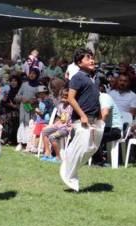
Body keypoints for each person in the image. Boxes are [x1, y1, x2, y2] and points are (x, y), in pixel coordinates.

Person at [59, 48, 104, 192]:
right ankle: (70, 176)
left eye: (92, 57)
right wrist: (83, 115)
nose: (92, 60)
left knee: (92, 148)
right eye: (88, 58)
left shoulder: (93, 78)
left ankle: (69, 160)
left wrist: (99, 117)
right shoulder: (77, 77)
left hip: (94, 119)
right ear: (79, 62)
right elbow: (71, 98)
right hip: (82, 120)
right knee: (83, 147)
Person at [91, 86, 124, 166]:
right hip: (106, 128)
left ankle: (99, 162)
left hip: (115, 129)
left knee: (95, 136)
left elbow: (105, 113)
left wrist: (96, 127)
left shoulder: (104, 97)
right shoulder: (95, 100)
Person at [41, 88, 73, 162]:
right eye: (63, 96)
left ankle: (58, 157)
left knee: (52, 137)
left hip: (66, 128)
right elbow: (59, 118)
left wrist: (71, 127)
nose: (64, 98)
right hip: (59, 125)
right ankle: (47, 153)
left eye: (66, 96)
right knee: (44, 131)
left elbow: (75, 120)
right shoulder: (60, 105)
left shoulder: (72, 106)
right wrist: (52, 125)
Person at [15, 68, 41, 150]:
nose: (32, 75)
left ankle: (28, 144)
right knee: (22, 123)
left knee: (30, 124)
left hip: (33, 109)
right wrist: (22, 98)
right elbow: (17, 97)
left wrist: (35, 100)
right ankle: (20, 143)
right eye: (30, 73)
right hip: (24, 107)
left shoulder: (39, 86)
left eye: (34, 73)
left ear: (37, 75)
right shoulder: (24, 84)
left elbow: (42, 98)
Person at [0, 75, 21, 146]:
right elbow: (3, 103)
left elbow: (22, 103)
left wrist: (14, 106)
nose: (13, 82)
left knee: (13, 121)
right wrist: (5, 100)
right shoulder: (8, 91)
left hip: (17, 111)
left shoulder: (20, 91)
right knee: (4, 120)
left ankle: (12, 139)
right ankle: (6, 138)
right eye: (12, 81)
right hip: (7, 111)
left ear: (18, 82)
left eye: (15, 81)